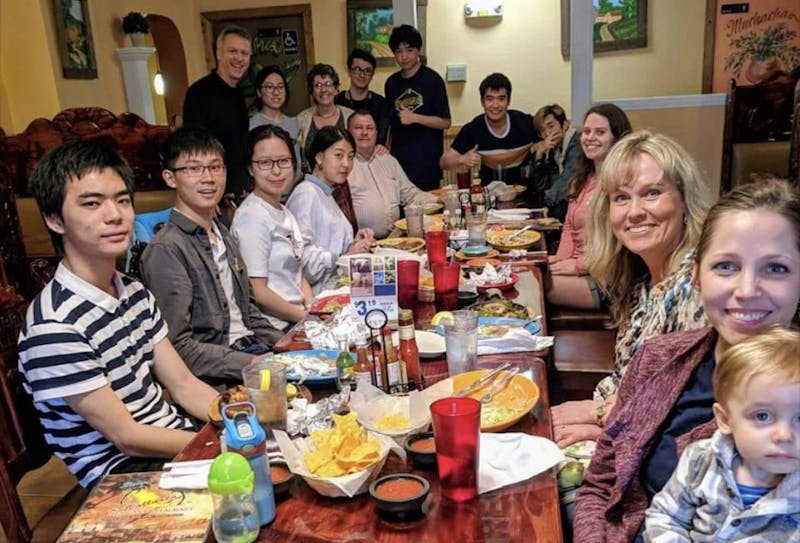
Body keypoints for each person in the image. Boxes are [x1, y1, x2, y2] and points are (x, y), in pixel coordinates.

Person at [573, 178, 800, 542]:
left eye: (776, 268)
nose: (746, 290)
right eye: (726, 266)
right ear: (696, 275)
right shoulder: (658, 359)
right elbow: (601, 485)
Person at [17, 140, 218, 488]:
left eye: (122, 200)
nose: (115, 215)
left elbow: (184, 385)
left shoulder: (133, 292)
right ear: (54, 219)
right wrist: (220, 447)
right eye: (92, 203)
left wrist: (240, 418)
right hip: (124, 476)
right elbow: (126, 436)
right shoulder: (54, 325)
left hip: (172, 443)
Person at [552, 130, 713, 448]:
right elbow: (629, 383)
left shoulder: (700, 284)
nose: (635, 211)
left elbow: (690, 420)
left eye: (652, 193)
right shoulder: (640, 281)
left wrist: (598, 421)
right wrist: (599, 411)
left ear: (683, 199)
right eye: (621, 198)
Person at [140, 129, 282, 389]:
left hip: (253, 350)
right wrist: (253, 364)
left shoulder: (223, 234)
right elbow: (178, 347)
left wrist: (288, 344)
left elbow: (248, 312)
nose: (208, 178)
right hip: (220, 376)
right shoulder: (167, 250)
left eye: (215, 167)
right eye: (194, 169)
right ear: (170, 178)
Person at [644, 326, 800, 542]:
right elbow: (666, 516)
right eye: (762, 416)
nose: (784, 435)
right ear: (725, 420)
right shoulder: (700, 459)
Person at [232, 125, 331, 330]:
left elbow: (298, 272)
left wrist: (312, 307)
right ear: (250, 168)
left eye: (284, 161)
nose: (276, 171)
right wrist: (306, 318)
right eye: (265, 163)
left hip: (298, 317)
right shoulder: (253, 216)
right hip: (274, 326)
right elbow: (258, 292)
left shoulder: (284, 212)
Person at [546, 103, 632, 310]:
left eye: (600, 132)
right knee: (529, 274)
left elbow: (619, 247)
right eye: (586, 131)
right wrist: (559, 259)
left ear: (617, 138)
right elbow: (568, 226)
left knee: (540, 286)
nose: (590, 137)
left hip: (605, 279)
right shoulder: (580, 179)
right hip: (579, 270)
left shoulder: (623, 183)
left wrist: (575, 266)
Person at [286, 126, 375, 289]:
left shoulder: (326, 192)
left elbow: (329, 242)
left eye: (350, 157)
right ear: (319, 158)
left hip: (338, 286)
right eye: (339, 156)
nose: (346, 164)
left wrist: (355, 244)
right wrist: (343, 256)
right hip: (319, 295)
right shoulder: (306, 194)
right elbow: (300, 257)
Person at [182, 25, 252, 203]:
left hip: (238, 192)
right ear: (218, 54)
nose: (239, 58)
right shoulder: (199, 92)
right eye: (233, 51)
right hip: (214, 196)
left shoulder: (238, 94)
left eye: (244, 53)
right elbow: (194, 149)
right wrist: (207, 196)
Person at [347, 110, 439, 239]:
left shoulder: (389, 160)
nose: (364, 132)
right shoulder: (344, 166)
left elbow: (410, 194)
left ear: (376, 133)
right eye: (358, 128)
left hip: (395, 238)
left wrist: (439, 199)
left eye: (370, 128)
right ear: (348, 133)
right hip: (361, 242)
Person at [440, 73, 539, 185]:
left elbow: (550, 127)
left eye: (501, 99)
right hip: (489, 193)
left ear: (509, 101)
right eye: (489, 99)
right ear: (482, 102)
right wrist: (462, 159)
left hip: (526, 191)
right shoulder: (474, 129)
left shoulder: (525, 123)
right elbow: (444, 162)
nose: (495, 105)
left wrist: (543, 144)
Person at [384, 24, 451, 191]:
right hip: (398, 164)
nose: (404, 56)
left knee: (429, 214)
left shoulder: (433, 80)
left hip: (427, 165)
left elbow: (446, 122)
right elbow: (390, 123)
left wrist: (415, 118)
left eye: (409, 50)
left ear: (418, 50)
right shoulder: (391, 83)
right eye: (398, 51)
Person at [249, 65, 303, 186]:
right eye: (269, 87)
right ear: (258, 92)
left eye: (280, 87)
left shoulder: (295, 123)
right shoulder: (251, 126)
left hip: (296, 190)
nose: (276, 92)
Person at [297, 63, 354, 172]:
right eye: (317, 85)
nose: (323, 90)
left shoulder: (350, 117)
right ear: (312, 91)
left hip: (347, 179)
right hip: (311, 182)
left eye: (328, 84)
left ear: (336, 88)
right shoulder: (301, 120)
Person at [532, 104, 581, 221]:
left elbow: (567, 181)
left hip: (579, 203)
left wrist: (546, 203)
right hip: (564, 204)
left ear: (564, 125)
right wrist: (539, 156)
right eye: (542, 130)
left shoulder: (577, 144)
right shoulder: (554, 150)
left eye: (550, 126)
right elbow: (541, 185)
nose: (547, 133)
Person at [335, 48, 391, 146]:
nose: (362, 75)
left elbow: (380, 139)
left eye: (367, 71)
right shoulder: (336, 101)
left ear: (372, 75)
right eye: (357, 69)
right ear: (349, 71)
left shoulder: (381, 104)